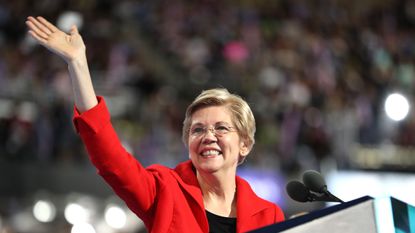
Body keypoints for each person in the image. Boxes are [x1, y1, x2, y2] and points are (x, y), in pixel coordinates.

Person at [25, 16, 285, 233]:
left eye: (221, 127)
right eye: (197, 129)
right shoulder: (165, 191)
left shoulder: (270, 216)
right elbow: (110, 159)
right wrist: (78, 64)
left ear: (245, 144)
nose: (208, 136)